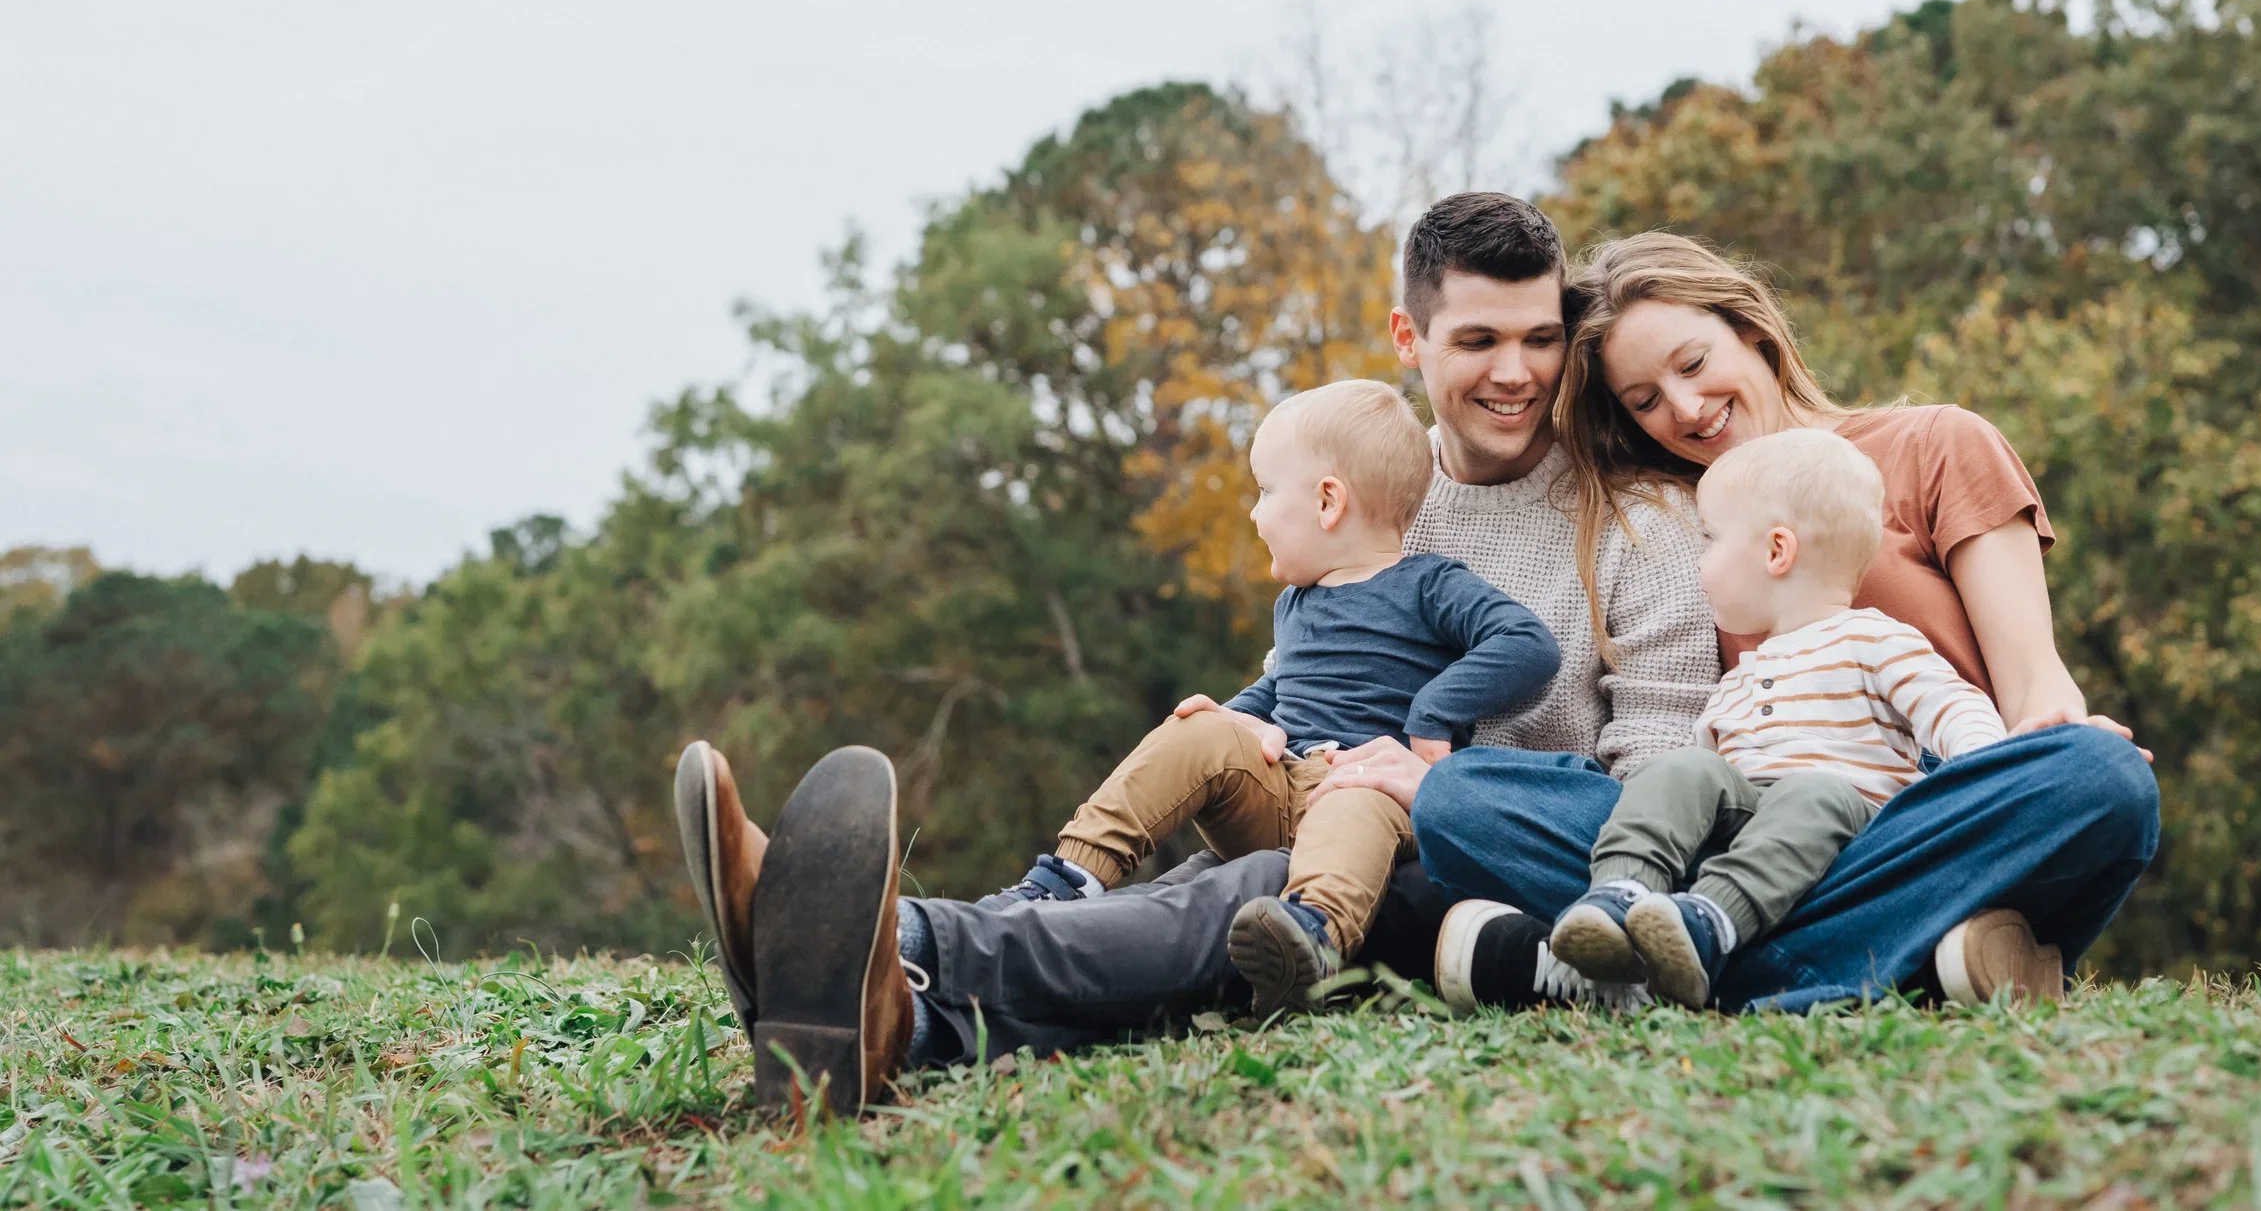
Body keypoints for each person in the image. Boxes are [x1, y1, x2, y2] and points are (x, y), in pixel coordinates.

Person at [673, 192, 1724, 1116]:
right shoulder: (1375, 492)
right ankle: (908, 1023)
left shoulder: (1639, 526)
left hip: (1496, 880)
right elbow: (1319, 664)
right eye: (1479, 340)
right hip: (1328, 823)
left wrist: (1452, 771)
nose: (1516, 371)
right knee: (1195, 892)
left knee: (1249, 889)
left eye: (1540, 339)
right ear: (1410, 336)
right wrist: (1247, 720)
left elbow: (1657, 790)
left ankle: (874, 934)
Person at [1416, 230, 2162, 1015]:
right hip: (1750, 836)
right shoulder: (1684, 528)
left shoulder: (1936, 445)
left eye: (1694, 363)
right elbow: (1683, 759)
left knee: (2101, 778)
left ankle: (1694, 962)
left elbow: (2033, 681)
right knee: (1461, 799)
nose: (1686, 407)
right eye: (1644, 401)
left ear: (1752, 330)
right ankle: (1903, 966)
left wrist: (2053, 736)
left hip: (1913, 827)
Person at [976, 378, 1562, 1015]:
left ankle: (1310, 936)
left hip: (1374, 797)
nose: (1254, 514)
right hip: (1277, 789)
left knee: (1353, 800)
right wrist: (1228, 721)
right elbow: (1279, 688)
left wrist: (1434, 713)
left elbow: (1527, 642)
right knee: (1195, 727)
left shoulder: (1430, 584)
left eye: (1265, 492)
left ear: (1328, 502)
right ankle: (1068, 878)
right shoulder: (1296, 603)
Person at [1547, 427, 2006, 1006]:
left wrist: (1989, 769)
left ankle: (1709, 923)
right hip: (1746, 823)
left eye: (1709, 540)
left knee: (1815, 792)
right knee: (1681, 769)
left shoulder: (1872, 638)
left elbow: (1952, 705)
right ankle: (1619, 898)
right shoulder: (1738, 679)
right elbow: (1703, 786)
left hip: (1848, 834)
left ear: (1776, 552)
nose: (1699, 561)